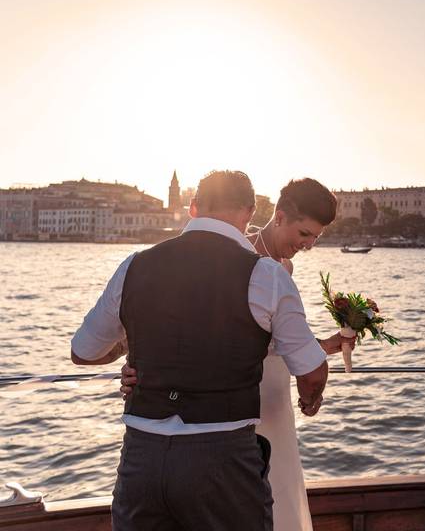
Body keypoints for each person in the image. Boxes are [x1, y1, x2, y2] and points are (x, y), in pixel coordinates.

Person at [71, 170, 331, 531]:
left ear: (192, 207)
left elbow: (82, 352)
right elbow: (312, 371)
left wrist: (129, 351)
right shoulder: (267, 275)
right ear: (250, 212)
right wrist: (311, 397)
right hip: (222, 462)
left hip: (141, 460)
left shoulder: (134, 266)